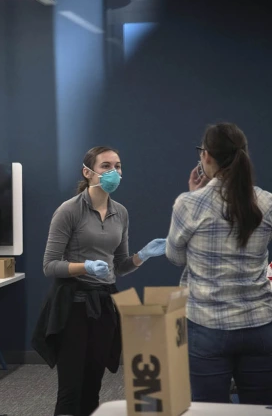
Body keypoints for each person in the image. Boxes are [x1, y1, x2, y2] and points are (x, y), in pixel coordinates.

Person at [32, 146, 166, 416]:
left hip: (103, 306)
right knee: (71, 388)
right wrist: (86, 267)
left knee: (93, 385)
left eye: (118, 166)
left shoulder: (121, 213)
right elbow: (49, 266)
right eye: (106, 166)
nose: (114, 172)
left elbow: (119, 265)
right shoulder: (69, 211)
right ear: (88, 172)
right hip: (72, 306)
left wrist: (142, 256)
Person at [166, 122, 272, 404]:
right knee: (260, 409)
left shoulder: (189, 204)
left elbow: (175, 257)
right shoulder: (267, 202)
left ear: (207, 157)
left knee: (208, 409)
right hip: (259, 325)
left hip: (207, 326)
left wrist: (191, 194)